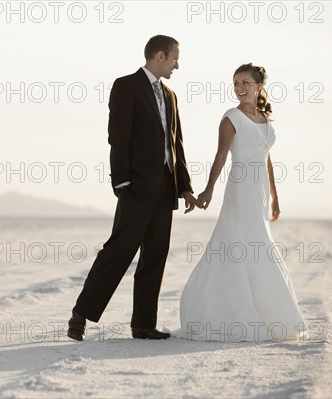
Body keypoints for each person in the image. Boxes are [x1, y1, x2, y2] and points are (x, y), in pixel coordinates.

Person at [67, 35, 197, 341]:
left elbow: (175, 144)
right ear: (160, 56)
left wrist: (185, 187)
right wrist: (122, 181)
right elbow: (118, 136)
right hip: (136, 186)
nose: (178, 64)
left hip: (166, 187)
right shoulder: (126, 86)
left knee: (155, 255)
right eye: (175, 58)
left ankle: (143, 324)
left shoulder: (171, 96)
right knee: (119, 250)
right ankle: (80, 315)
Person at [179, 63, 307, 342]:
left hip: (259, 191)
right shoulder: (231, 117)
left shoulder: (265, 119)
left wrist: (274, 196)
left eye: (246, 83)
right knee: (241, 241)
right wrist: (208, 190)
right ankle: (227, 313)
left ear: (259, 86)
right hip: (239, 189)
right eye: (236, 83)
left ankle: (268, 313)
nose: (240, 88)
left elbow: (267, 158)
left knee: (258, 243)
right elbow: (221, 156)